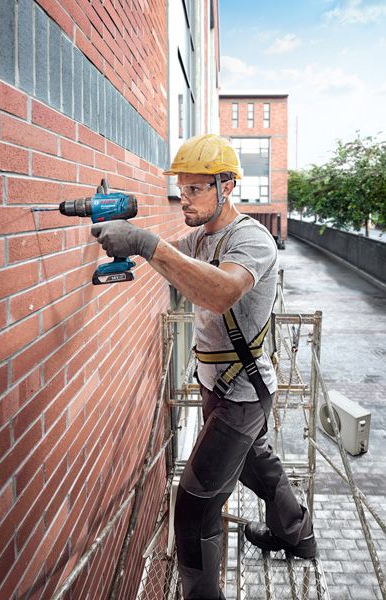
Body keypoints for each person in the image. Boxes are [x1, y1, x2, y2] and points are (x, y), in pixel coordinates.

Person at [91, 134, 316, 600]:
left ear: (227, 186)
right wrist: (129, 241)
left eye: (195, 189)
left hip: (242, 395)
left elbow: (218, 291)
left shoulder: (251, 240)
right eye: (181, 189)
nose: (183, 200)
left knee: (194, 510)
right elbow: (172, 262)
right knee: (262, 471)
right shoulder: (200, 237)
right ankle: (299, 536)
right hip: (218, 387)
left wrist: (147, 244)